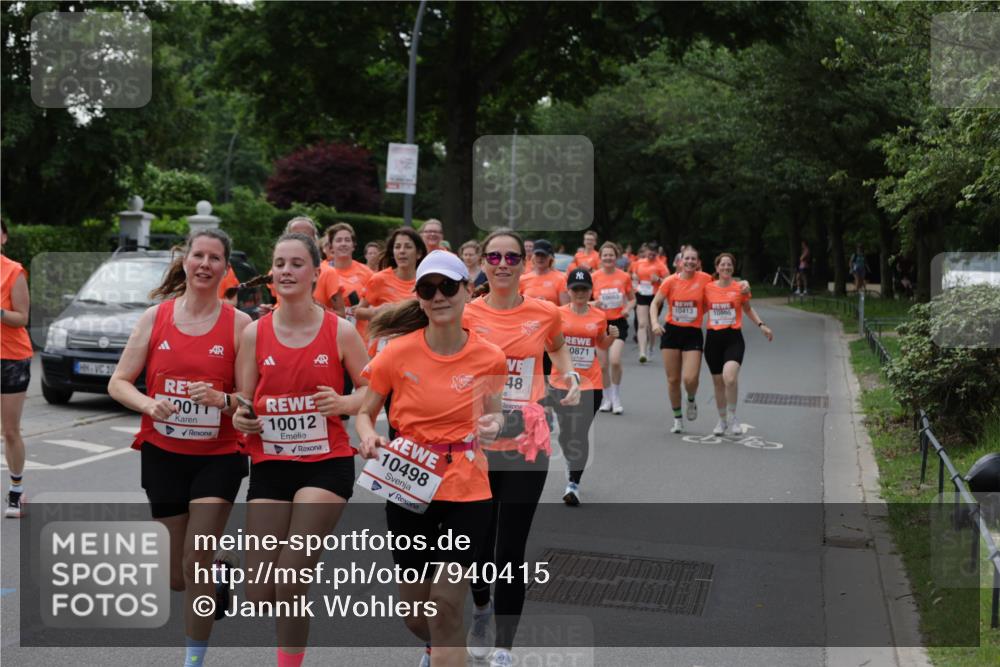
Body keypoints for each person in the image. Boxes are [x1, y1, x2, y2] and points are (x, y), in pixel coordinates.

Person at [108, 228, 252, 667]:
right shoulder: (156, 318)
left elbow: (249, 403)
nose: (205, 264)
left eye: (214, 258)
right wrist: (151, 403)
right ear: (184, 260)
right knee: (177, 577)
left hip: (219, 455)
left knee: (196, 557)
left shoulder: (240, 325)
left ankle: (193, 660)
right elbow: (118, 383)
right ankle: (220, 574)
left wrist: (223, 401)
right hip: (163, 453)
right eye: (198, 256)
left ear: (226, 269)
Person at [356, 250, 507, 667]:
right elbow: (366, 413)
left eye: (448, 287)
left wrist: (493, 425)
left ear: (467, 291)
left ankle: (449, 642)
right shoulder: (396, 353)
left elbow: (494, 411)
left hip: (467, 486)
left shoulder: (489, 356)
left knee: (443, 605)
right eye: (428, 288)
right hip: (407, 484)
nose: (439, 296)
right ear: (418, 296)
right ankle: (441, 644)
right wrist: (369, 438)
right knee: (417, 616)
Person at [231, 232, 369, 667]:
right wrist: (241, 417)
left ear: (315, 272)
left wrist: (344, 403)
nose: (286, 271)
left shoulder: (340, 331)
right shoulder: (255, 333)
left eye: (296, 263)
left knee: (290, 580)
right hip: (271, 463)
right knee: (260, 590)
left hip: (326, 463)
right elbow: (243, 400)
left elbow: (375, 392)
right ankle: (223, 571)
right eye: (280, 264)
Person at [462, 229, 581, 667]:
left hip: (527, 444)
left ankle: (504, 647)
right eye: (494, 256)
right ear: (484, 263)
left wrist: (567, 376)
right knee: (477, 543)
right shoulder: (466, 313)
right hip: (478, 442)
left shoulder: (545, 313)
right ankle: (480, 608)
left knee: (510, 550)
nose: (503, 263)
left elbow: (558, 348)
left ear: (524, 263)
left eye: (513, 257)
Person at [651, 246, 749, 434]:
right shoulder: (670, 281)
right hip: (671, 332)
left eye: (693, 259)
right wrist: (655, 323)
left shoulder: (705, 279)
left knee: (690, 378)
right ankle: (678, 419)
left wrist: (743, 283)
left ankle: (691, 399)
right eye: (686, 259)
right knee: (673, 380)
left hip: (692, 333)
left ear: (698, 263)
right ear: (680, 262)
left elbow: (725, 282)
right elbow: (655, 303)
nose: (689, 262)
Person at [555, 268, 618, 505]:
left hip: (590, 383)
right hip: (560, 381)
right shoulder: (556, 314)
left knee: (579, 433)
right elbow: (548, 342)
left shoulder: (599, 316)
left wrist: (611, 337)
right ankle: (572, 463)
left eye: (584, 289)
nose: (580, 293)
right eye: (575, 289)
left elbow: (601, 343)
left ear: (591, 290)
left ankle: (573, 484)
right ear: (568, 290)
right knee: (565, 434)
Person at [703, 253, 773, 435]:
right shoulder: (708, 288)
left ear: (733, 269)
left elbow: (748, 309)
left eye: (729, 265)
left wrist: (761, 325)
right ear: (717, 268)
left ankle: (733, 417)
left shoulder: (741, 288)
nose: (726, 267)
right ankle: (721, 420)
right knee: (718, 383)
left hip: (733, 338)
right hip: (712, 340)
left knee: (730, 378)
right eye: (722, 265)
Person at [355, 227, 428, 354]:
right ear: (393, 252)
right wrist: (376, 311)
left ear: (419, 253)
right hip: (383, 349)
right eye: (397, 247)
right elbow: (358, 312)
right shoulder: (380, 279)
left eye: (408, 247)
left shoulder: (426, 281)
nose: (402, 251)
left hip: (416, 348)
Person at [1, 219, 32, 518]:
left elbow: (22, 317)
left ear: (4, 237)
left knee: (9, 431)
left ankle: (16, 491)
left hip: (11, 358)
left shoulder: (13, 271)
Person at [592, 242, 635, 414]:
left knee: (615, 360)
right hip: (600, 324)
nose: (608, 258)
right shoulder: (594, 277)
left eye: (611, 255)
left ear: (616, 257)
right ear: (600, 258)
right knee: (602, 366)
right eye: (605, 255)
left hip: (618, 323)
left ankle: (616, 397)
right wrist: (594, 303)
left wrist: (627, 309)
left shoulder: (624, 277)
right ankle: (606, 398)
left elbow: (632, 299)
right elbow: (582, 300)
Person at [631, 244, 667, 364]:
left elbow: (669, 282)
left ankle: (650, 348)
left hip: (655, 297)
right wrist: (634, 277)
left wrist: (658, 280)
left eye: (654, 252)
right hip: (641, 294)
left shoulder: (661, 266)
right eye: (649, 252)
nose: (651, 254)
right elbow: (632, 276)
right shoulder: (638, 263)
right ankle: (642, 352)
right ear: (645, 252)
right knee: (642, 323)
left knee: (652, 326)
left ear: (657, 253)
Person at [518, 239, 568, 306]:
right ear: (533, 256)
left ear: (550, 257)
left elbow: (565, 309)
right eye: (537, 255)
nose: (540, 258)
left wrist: (547, 305)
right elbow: (517, 306)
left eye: (543, 255)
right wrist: (532, 303)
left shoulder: (561, 279)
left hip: (551, 315)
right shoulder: (522, 279)